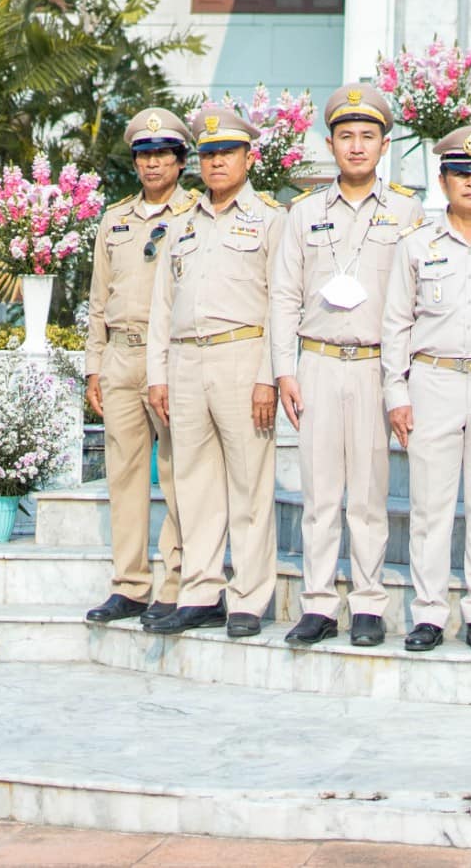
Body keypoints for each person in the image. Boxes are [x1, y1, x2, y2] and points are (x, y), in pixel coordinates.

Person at [268, 84, 425, 649]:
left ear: (384, 146)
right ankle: (316, 604)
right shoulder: (304, 211)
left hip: (376, 366)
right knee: (320, 493)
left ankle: (367, 604)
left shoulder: (408, 212)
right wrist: (284, 370)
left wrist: (402, 379)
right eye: (346, 137)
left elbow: (415, 299)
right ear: (330, 143)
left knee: (368, 493)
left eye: (368, 137)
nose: (356, 147)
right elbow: (284, 294)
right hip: (319, 362)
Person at [382, 126, 471, 652]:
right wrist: (396, 394)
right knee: (430, 507)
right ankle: (428, 613)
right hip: (433, 379)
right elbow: (396, 322)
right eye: (461, 174)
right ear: (442, 181)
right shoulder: (417, 244)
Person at [145, 106, 286, 638]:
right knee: (195, 484)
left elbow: (281, 304)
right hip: (185, 360)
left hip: (241, 356)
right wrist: (157, 374)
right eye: (207, 154)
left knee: (249, 483)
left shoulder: (271, 220)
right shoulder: (179, 226)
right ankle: (201, 589)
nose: (217, 162)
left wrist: (269, 375)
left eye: (227, 152)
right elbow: (162, 307)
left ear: (249, 157)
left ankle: (249, 595)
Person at [83, 108, 198, 627]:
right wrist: (93, 367)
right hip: (121, 356)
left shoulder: (195, 214)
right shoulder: (116, 219)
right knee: (124, 474)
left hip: (171, 357)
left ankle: (176, 582)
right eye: (144, 156)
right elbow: (97, 300)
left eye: (163, 155)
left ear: (180, 161)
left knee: (177, 474)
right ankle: (129, 584)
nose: (153, 165)